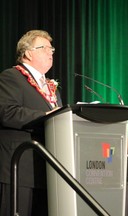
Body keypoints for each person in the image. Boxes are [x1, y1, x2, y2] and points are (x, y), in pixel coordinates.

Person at [0, 30, 62, 216]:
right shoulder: (11, 77)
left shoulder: (51, 88)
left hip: (47, 170)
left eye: (52, 48)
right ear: (27, 53)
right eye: (44, 48)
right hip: (19, 169)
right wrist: (45, 114)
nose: (51, 52)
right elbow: (7, 112)